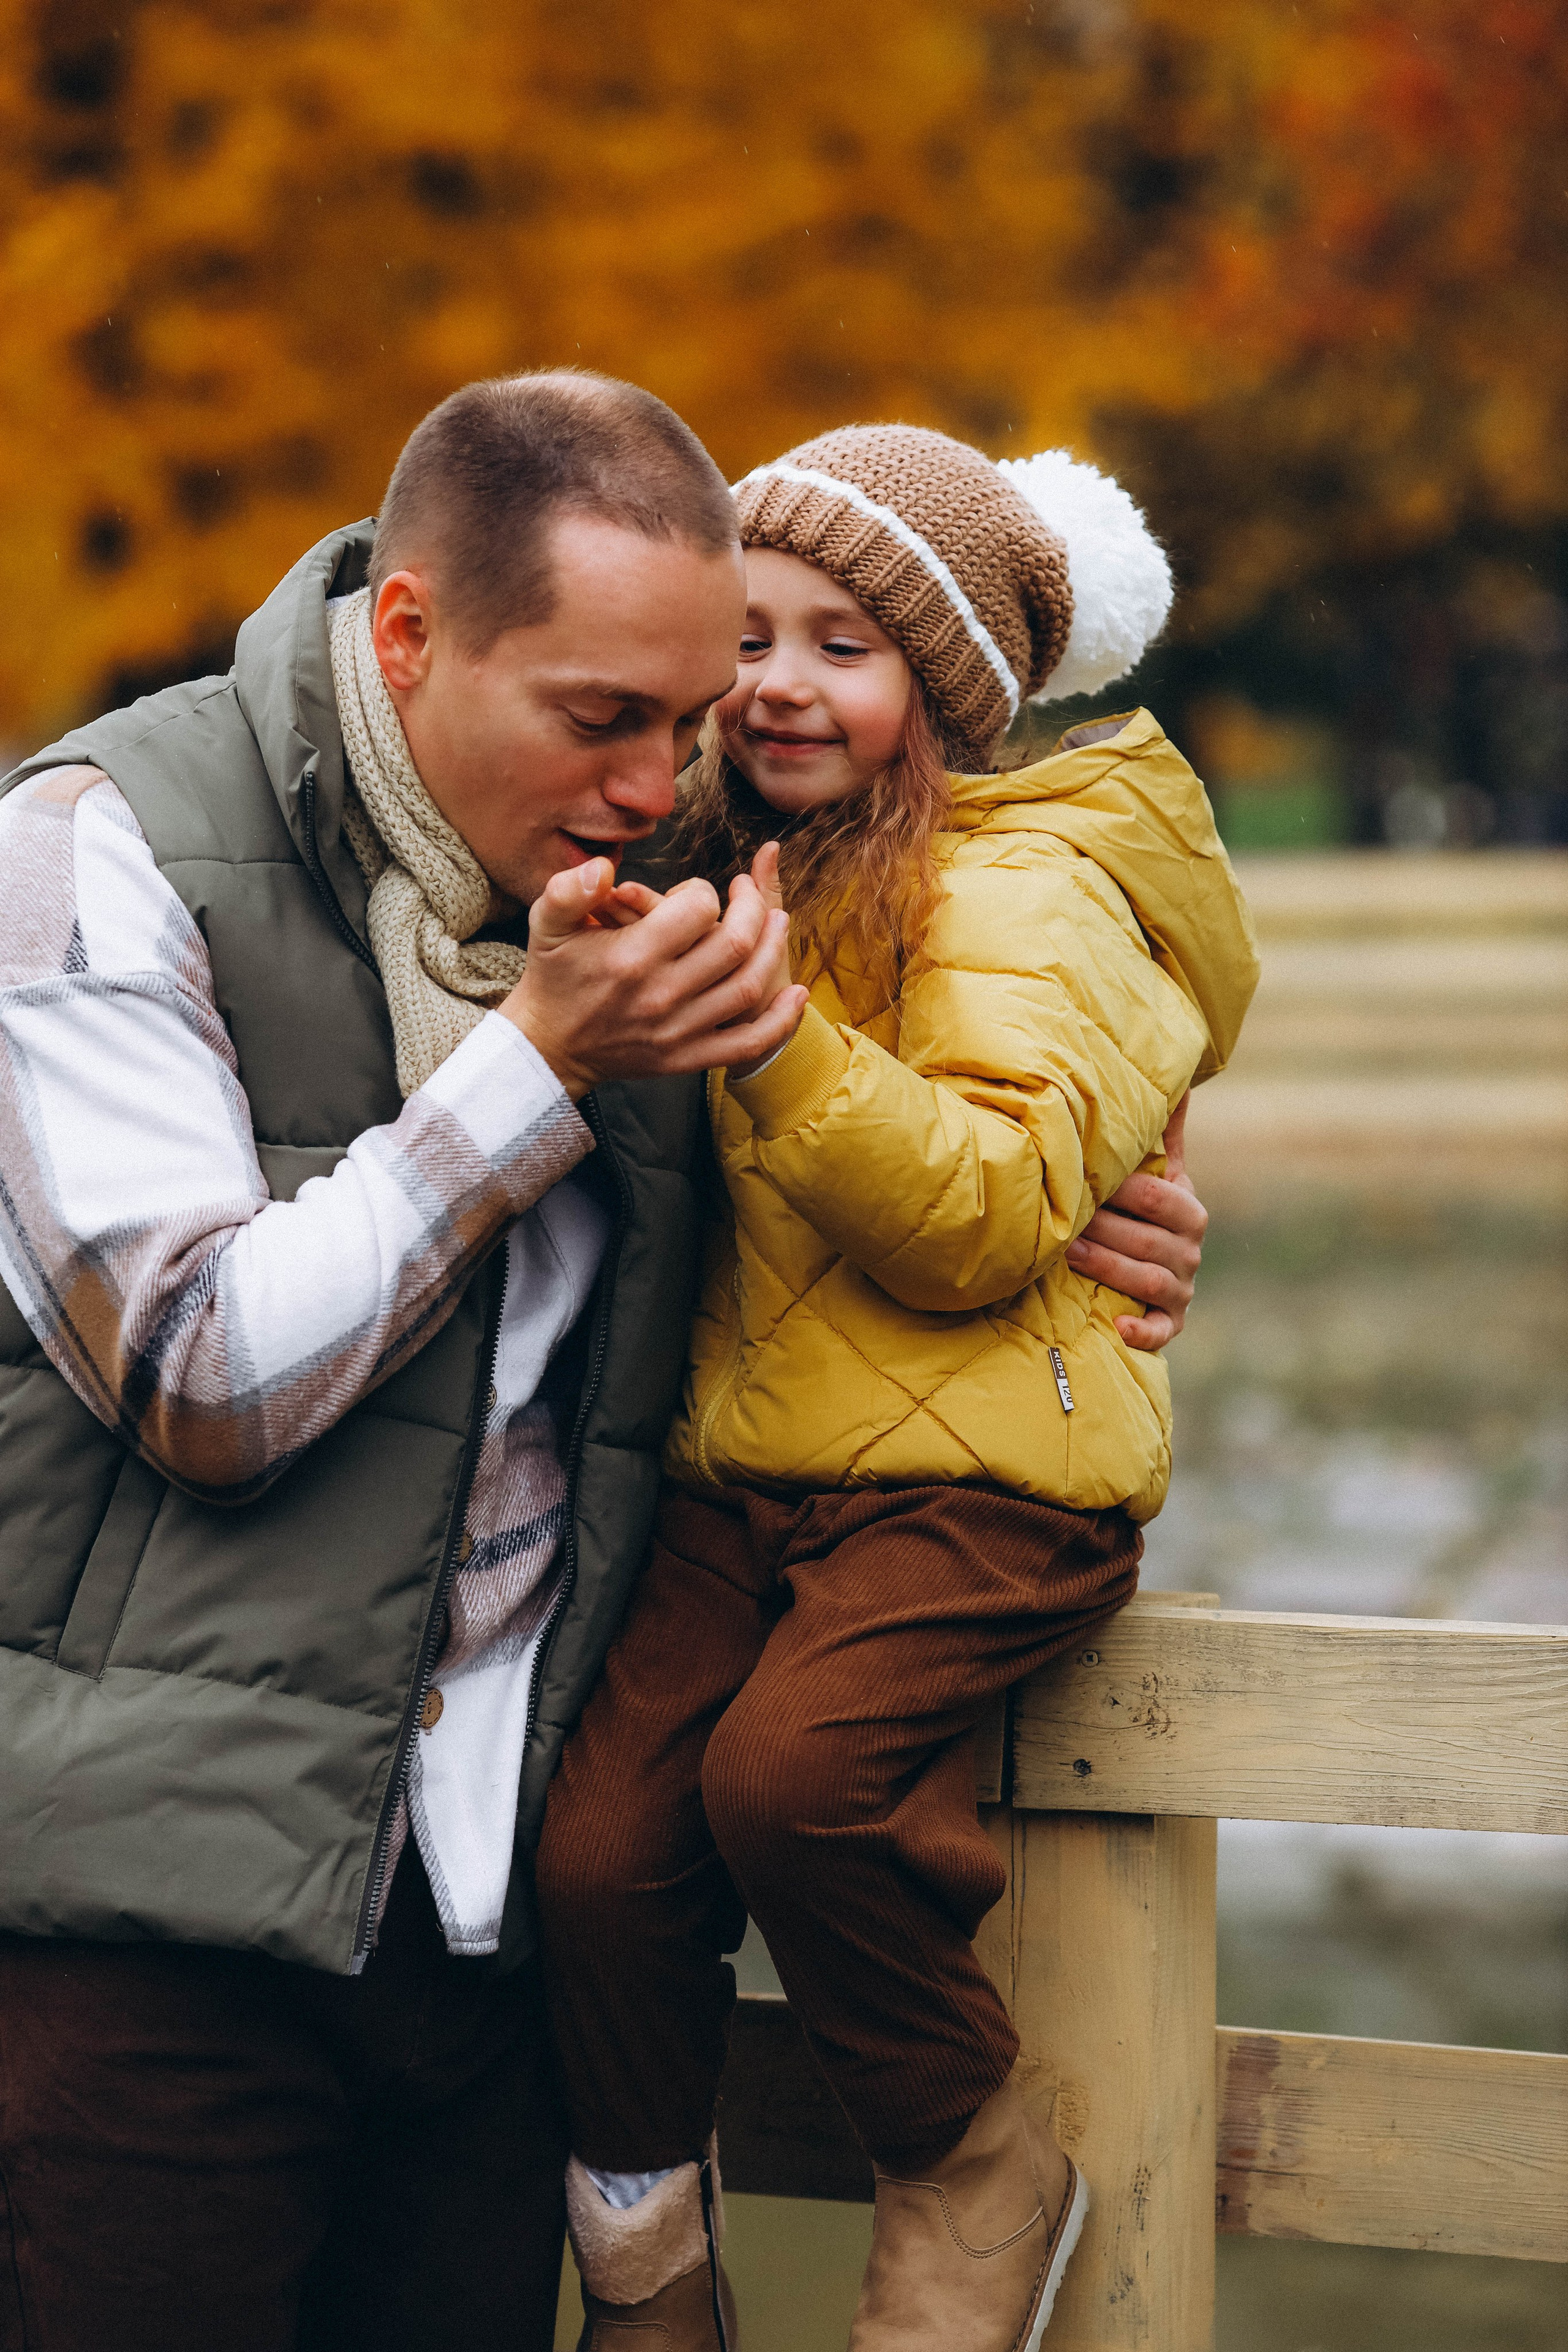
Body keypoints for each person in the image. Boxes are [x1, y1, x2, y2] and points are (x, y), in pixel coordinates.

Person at [0, 379, 1212, 2352]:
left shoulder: (646, 872)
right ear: (408, 636)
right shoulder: (91, 853)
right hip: (154, 1960)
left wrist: (1109, 1193)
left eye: (690, 717)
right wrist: (534, 1064)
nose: (665, 781)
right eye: (608, 719)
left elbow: (926, 1114)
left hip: (487, 1952)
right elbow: (200, 1378)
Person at [535, 427, 1259, 2351]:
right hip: (743, 1468)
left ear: (940, 691)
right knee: (600, 1843)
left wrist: (767, 1037)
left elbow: (981, 1215)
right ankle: (648, 2263)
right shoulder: (702, 857)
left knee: (798, 1786)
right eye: (748, 634)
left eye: (842, 644)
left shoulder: (1035, 894)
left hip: (990, 1489)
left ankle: (967, 2159)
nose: (777, 679)